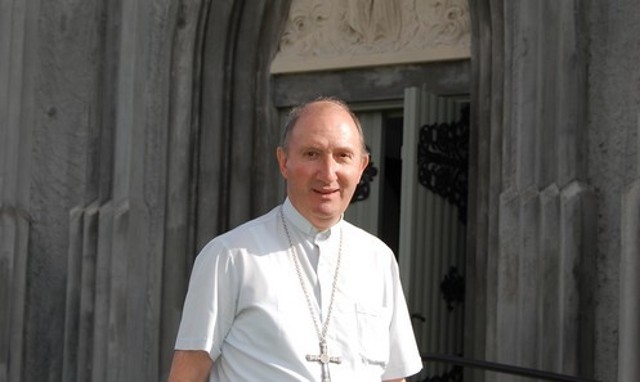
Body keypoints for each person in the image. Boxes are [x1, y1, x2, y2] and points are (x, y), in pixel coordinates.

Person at [168, 97, 423, 381]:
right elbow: (187, 373)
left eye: (342, 156)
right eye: (312, 154)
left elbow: (393, 377)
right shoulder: (230, 256)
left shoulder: (379, 259)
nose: (328, 174)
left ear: (362, 166)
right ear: (284, 161)